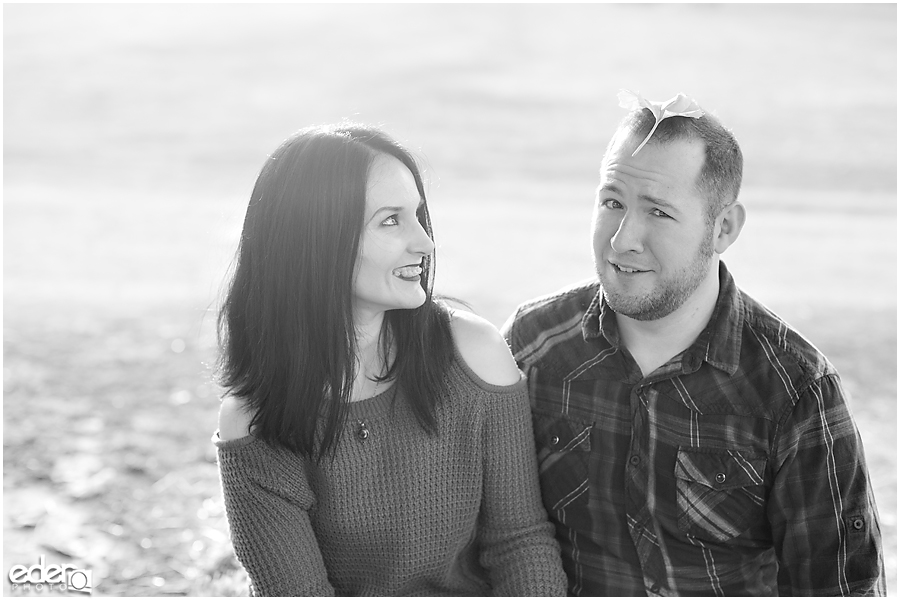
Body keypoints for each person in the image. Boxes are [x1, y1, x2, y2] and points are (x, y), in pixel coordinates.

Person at [502, 91, 886, 596]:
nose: (621, 240)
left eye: (658, 213)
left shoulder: (793, 389)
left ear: (723, 227)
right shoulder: (535, 348)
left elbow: (839, 585)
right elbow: (492, 534)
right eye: (612, 202)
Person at [213, 123, 567, 596]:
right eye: (390, 220)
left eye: (418, 215)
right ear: (316, 242)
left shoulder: (474, 355)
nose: (424, 242)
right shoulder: (254, 424)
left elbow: (519, 542)